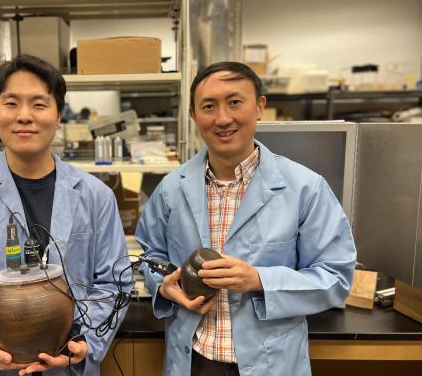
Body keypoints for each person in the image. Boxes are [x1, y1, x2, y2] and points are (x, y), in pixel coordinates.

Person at [136, 62, 356, 376]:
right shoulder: (172, 187)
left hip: (271, 362)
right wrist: (163, 286)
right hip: (193, 359)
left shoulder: (305, 188)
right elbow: (150, 256)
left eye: (235, 102)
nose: (223, 118)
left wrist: (259, 280)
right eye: (209, 106)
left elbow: (336, 276)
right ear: (194, 116)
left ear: (260, 107)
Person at [0, 54, 132, 376]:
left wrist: (87, 341)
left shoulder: (95, 196)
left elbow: (113, 281)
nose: (24, 116)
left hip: (68, 366)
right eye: (11, 103)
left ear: (58, 115)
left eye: (38, 104)